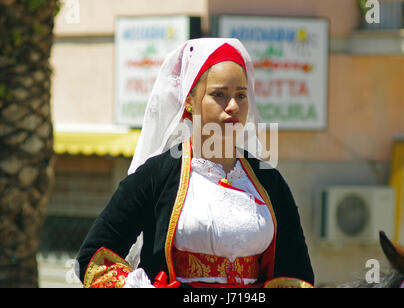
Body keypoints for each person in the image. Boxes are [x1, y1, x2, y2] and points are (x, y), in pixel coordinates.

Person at [76, 38, 314, 288]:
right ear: (190, 99)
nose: (233, 106)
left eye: (241, 95)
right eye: (219, 94)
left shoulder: (268, 181)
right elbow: (94, 257)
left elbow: (295, 272)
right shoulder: (157, 176)